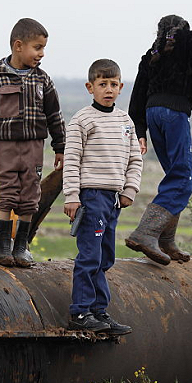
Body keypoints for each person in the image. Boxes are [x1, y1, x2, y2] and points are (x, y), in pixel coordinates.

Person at [0, 18, 65, 267]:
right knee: (5, 191)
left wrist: (60, 147)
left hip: (34, 146)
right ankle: (4, 245)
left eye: (43, 48)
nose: (41, 54)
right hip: (5, 148)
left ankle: (21, 246)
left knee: (29, 193)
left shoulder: (43, 80)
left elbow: (55, 115)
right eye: (37, 48)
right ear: (18, 46)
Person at [125, 14, 192, 265]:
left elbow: (137, 97)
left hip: (153, 116)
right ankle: (147, 232)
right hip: (174, 115)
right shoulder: (191, 41)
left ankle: (166, 240)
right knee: (184, 179)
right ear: (184, 30)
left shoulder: (151, 55)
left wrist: (140, 132)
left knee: (174, 175)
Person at [63, 59, 143, 333]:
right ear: (90, 87)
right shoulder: (82, 120)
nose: (108, 89)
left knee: (106, 256)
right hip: (91, 196)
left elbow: (135, 158)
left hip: (113, 198)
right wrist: (72, 196)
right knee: (89, 255)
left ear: (121, 87)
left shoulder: (125, 120)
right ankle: (81, 313)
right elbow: (72, 160)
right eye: (102, 84)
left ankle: (100, 311)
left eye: (113, 84)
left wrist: (130, 189)